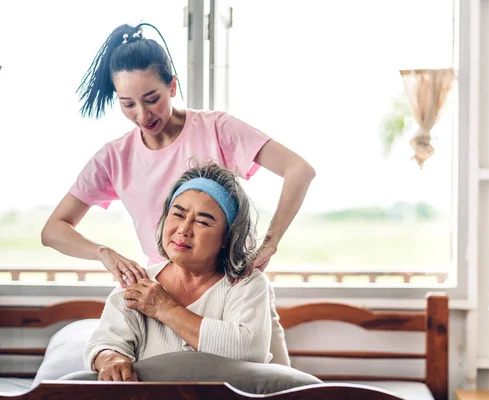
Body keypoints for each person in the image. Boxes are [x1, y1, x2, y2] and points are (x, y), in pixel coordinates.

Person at [41, 22, 315, 366]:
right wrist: (103, 253)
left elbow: (299, 170)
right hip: (162, 297)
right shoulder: (115, 157)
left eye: (152, 99)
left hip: (230, 296)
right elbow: (53, 230)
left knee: (270, 383)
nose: (142, 115)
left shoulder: (216, 128)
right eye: (128, 104)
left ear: (172, 86)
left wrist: (271, 241)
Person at [85, 161, 272, 381]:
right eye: (178, 215)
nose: (183, 230)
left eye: (202, 222)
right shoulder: (137, 283)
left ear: (227, 237)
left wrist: (165, 308)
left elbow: (249, 349)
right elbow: (104, 344)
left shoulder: (247, 284)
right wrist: (110, 359)